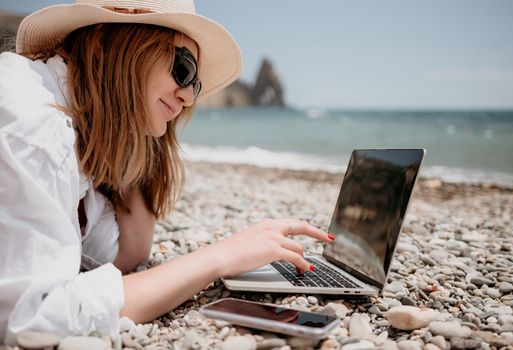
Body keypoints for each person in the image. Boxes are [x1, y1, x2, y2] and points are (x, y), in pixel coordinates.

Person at [0, 0, 335, 344]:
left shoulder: (76, 133)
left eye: (196, 85)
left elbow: (123, 254)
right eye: (184, 69)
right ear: (104, 43)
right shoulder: (35, 128)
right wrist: (219, 256)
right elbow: (29, 317)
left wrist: (135, 127)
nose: (189, 97)